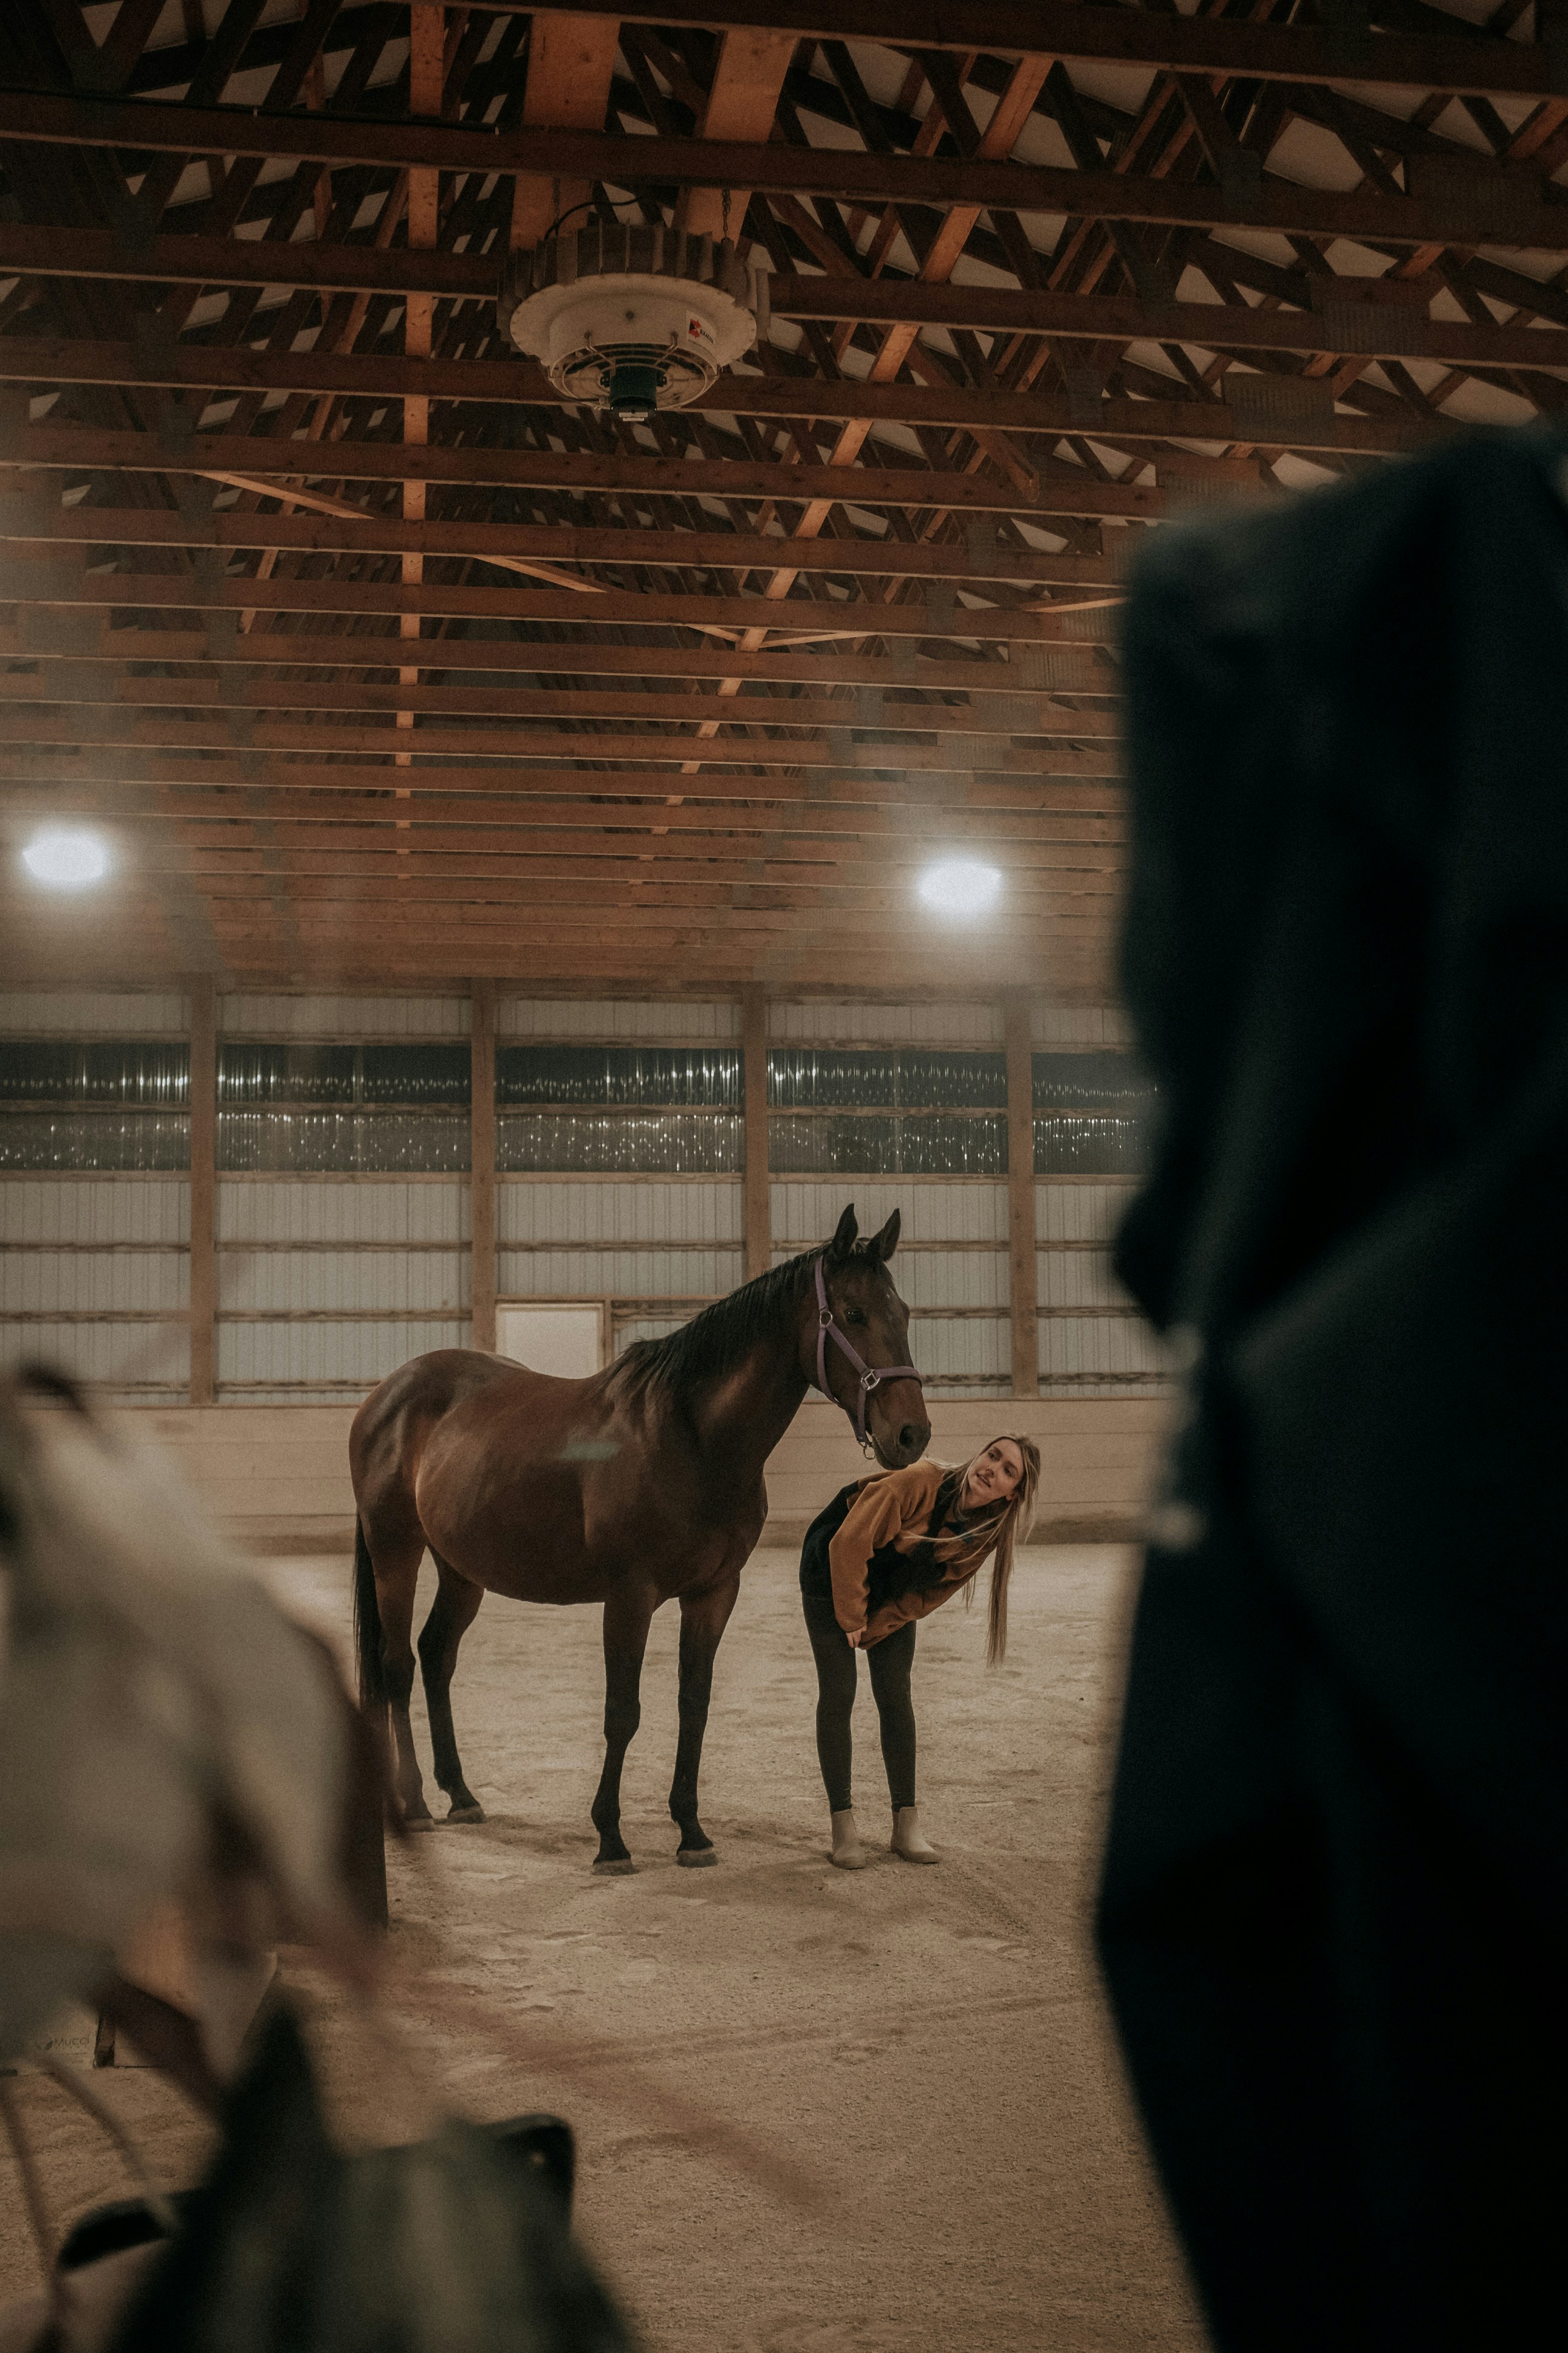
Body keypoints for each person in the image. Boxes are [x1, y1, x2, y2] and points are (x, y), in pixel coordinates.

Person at [799, 1437, 1040, 1867]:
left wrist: (878, 1625)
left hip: (890, 1588)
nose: (992, 1469)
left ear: (1013, 1493)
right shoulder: (919, 1480)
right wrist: (851, 1618)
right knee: (839, 1693)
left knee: (895, 1695)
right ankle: (843, 1828)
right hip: (831, 1566)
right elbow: (847, 1544)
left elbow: (929, 1594)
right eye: (993, 1455)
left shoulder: (983, 1532)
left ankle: (905, 1825)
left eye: (1008, 1471)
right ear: (979, 1454)